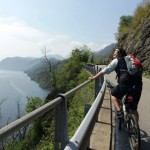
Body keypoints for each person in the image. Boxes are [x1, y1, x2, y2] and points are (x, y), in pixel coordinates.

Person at [89, 48, 142, 121]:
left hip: (125, 83)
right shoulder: (131, 60)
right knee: (133, 109)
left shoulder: (117, 60)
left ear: (119, 53)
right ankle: (136, 129)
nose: (113, 53)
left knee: (114, 94)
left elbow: (105, 71)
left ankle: (120, 112)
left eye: (115, 52)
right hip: (137, 84)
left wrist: (94, 77)